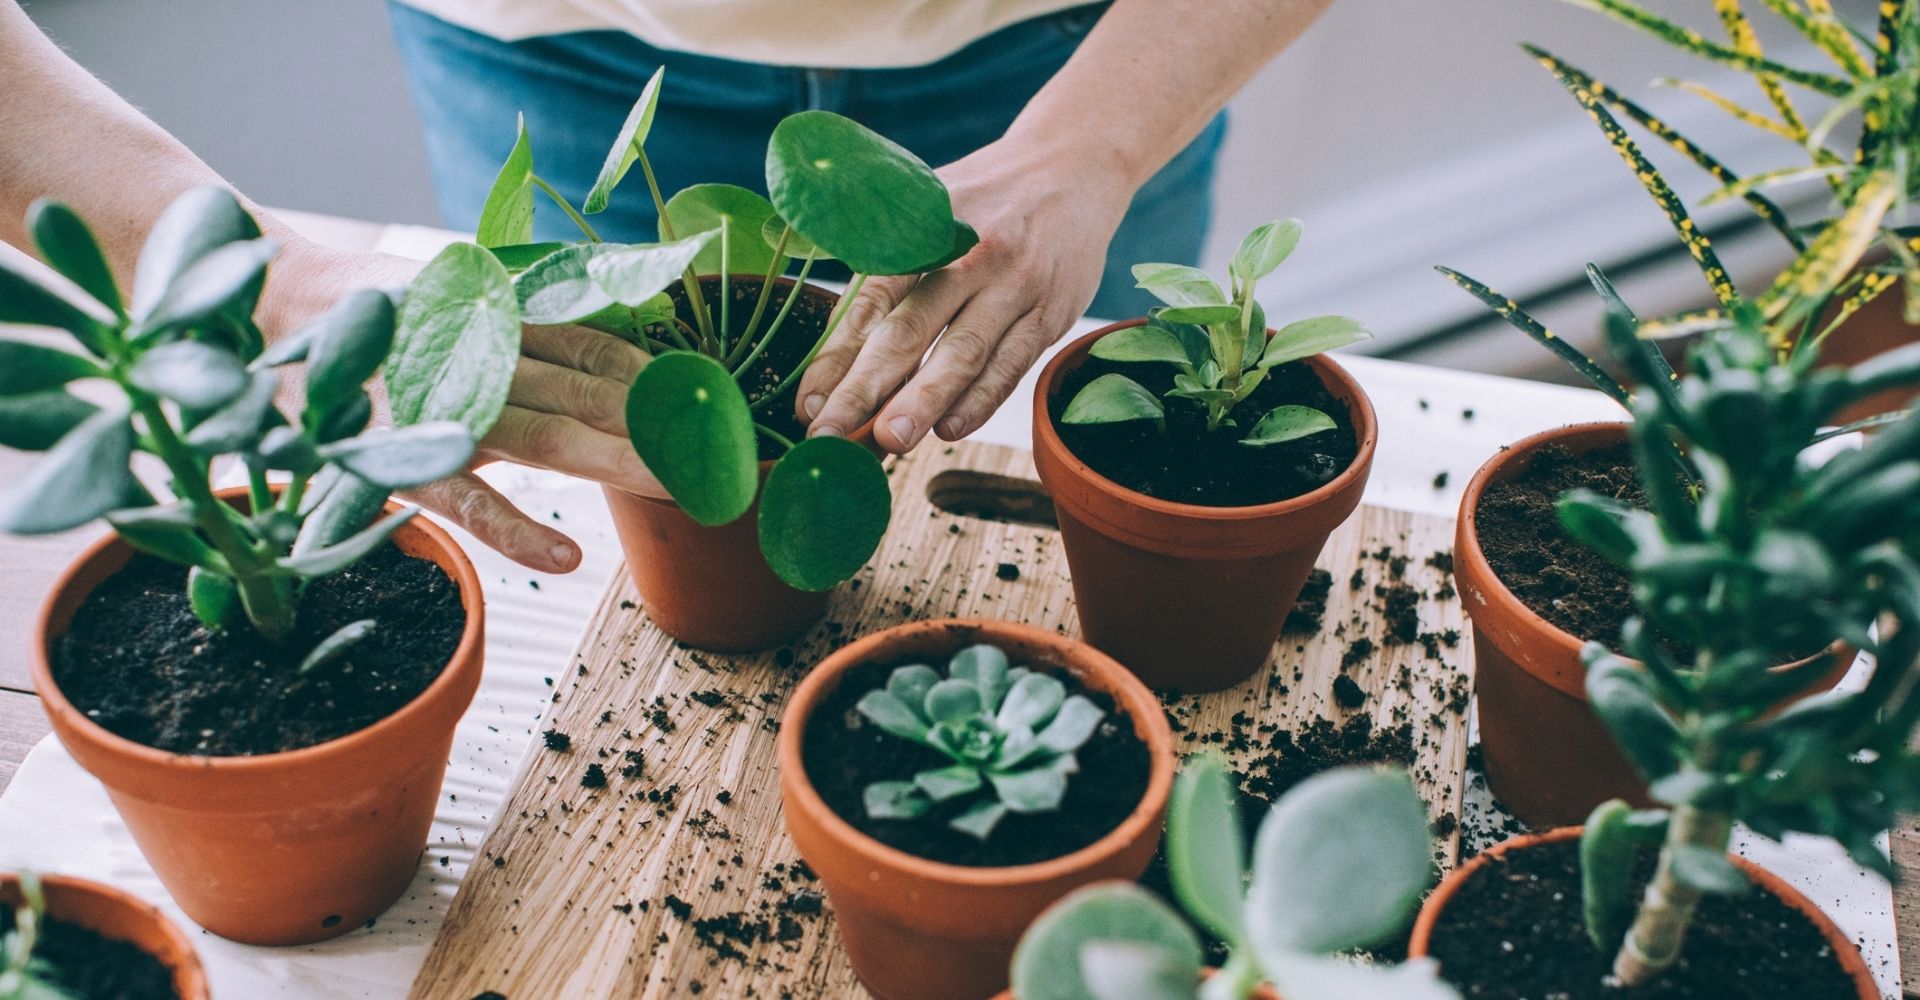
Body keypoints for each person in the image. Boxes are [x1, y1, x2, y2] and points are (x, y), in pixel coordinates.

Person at [0, 0, 1329, 574]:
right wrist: (264, 277)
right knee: (608, 438)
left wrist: (1095, 141)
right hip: (550, 60)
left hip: (1085, 54)